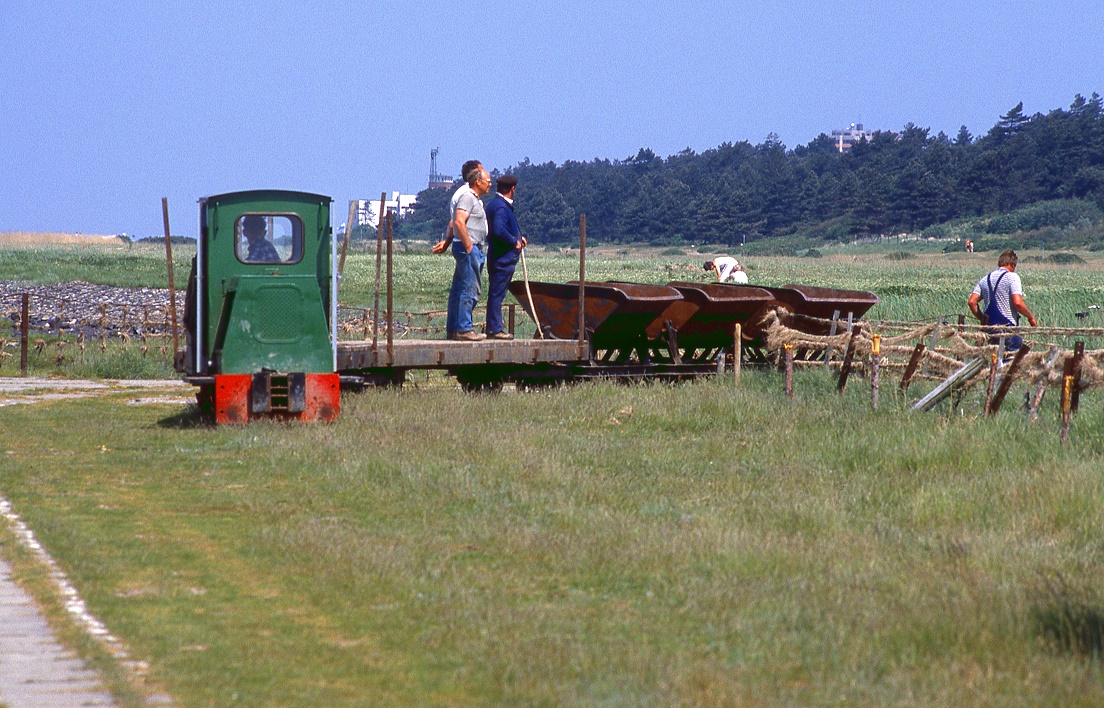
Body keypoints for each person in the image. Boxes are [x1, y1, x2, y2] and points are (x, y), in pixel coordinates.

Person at [445, 166, 492, 340]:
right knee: (469, 288)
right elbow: (458, 222)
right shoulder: (468, 197)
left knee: (459, 289)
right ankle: (464, 329)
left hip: (469, 247)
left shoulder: (475, 199)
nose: (490, 184)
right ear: (477, 181)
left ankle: (454, 329)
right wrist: (469, 247)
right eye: (487, 181)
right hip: (469, 248)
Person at [968, 248, 1037, 350]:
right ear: (1013, 265)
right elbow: (1018, 303)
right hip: (1007, 328)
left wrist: (982, 318)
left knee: (993, 358)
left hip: (990, 330)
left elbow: (972, 302)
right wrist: (1030, 317)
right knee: (1011, 360)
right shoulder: (1012, 277)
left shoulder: (985, 279)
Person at [484, 175, 527, 340]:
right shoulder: (501, 207)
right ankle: (495, 329)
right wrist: (513, 241)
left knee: (497, 293)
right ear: (512, 189)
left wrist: (519, 237)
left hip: (498, 257)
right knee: (497, 294)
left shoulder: (496, 204)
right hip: (502, 259)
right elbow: (499, 230)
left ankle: (494, 327)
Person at [432, 160, 483, 255]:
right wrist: (469, 248)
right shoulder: (466, 195)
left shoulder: (471, 194)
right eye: (482, 171)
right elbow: (457, 221)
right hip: (466, 245)